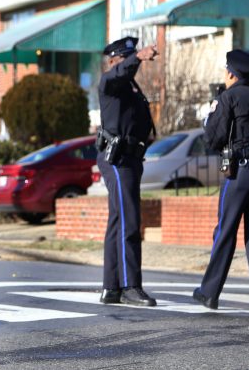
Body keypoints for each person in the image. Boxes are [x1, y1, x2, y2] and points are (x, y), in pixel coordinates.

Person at [193, 49, 249, 314]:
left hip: (241, 171)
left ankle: (209, 293)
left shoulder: (227, 98)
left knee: (226, 229)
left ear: (231, 73)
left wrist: (207, 119)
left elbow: (213, 139)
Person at [96, 37, 158, 307]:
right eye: (126, 58)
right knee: (130, 220)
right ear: (113, 61)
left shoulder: (129, 87)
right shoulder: (109, 82)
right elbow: (120, 73)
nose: (133, 64)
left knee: (119, 221)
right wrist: (138, 58)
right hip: (118, 159)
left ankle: (111, 287)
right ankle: (130, 285)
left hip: (131, 158)